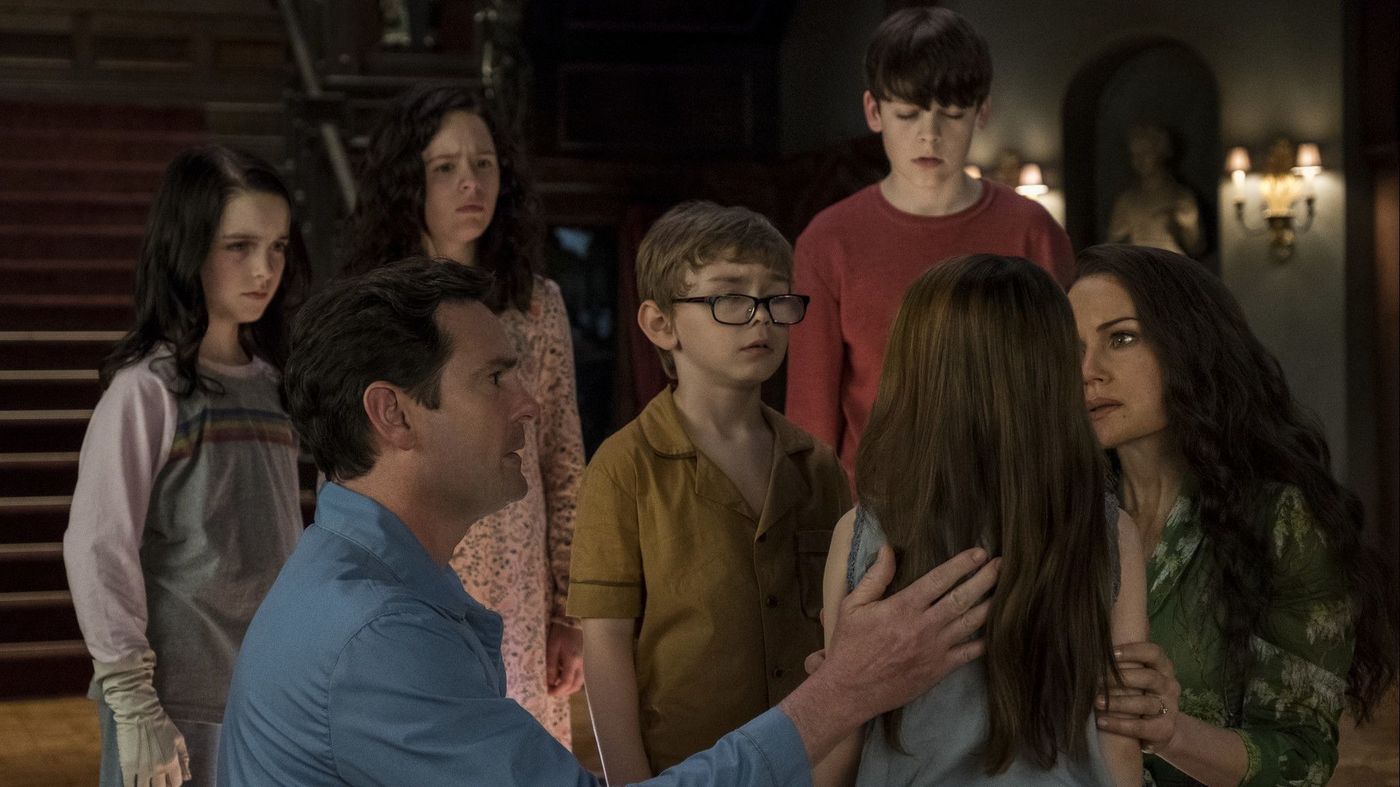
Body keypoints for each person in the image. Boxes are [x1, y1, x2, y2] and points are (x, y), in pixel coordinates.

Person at [217, 257, 1001, 786]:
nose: (530, 402)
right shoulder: (375, 633)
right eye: (495, 377)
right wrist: (844, 689)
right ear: (393, 414)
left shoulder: (369, 579)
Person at [1070, 244, 1398, 786]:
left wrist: (1170, 733)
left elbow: (1301, 759)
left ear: (1190, 346)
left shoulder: (1282, 521)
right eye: (1073, 348)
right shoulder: (1061, 515)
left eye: (1121, 339)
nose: (1088, 372)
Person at [814, 255, 1146, 786]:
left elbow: (838, 748)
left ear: (915, 374)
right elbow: (1120, 741)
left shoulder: (862, 534)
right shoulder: (1107, 530)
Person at [566, 202, 851, 783]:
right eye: (730, 298)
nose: (761, 319)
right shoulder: (625, 468)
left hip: (808, 764)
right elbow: (606, 645)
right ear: (660, 324)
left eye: (775, 298)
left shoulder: (818, 466)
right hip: (684, 770)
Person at [346, 84, 586, 744]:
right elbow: (349, 468)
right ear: (410, 182)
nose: (470, 183)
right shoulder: (377, 310)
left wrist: (571, 612)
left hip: (518, 582)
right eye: (445, 167)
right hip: (412, 570)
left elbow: (565, 462)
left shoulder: (535, 304)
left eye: (483, 163)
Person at [62, 145, 308, 787]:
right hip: (173, 702)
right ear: (189, 248)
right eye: (239, 247)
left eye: (278, 247)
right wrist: (134, 704)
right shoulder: (147, 390)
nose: (264, 269)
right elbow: (98, 547)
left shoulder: (274, 387)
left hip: (265, 696)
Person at [785, 6, 1074, 477]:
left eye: (952, 115)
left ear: (982, 112)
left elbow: (1061, 392)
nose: (930, 136)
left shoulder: (1032, 230)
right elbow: (811, 414)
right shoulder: (828, 240)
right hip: (875, 501)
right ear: (874, 112)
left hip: (1011, 493)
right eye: (907, 114)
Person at [1104, 124, 1205, 257]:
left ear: (1161, 153)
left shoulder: (1181, 198)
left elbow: (1196, 246)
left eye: (1146, 153)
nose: (1140, 160)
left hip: (1171, 265)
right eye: (1135, 155)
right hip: (1140, 266)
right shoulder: (1126, 201)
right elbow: (1112, 246)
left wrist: (1179, 230)